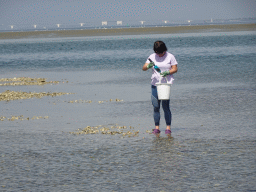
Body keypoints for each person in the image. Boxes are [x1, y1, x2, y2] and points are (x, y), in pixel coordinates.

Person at [142, 41, 178, 135]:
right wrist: (148, 66)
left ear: (165, 50)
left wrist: (168, 72)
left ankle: (168, 128)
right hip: (155, 84)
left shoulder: (170, 56)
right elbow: (144, 68)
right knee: (156, 106)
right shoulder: (152, 56)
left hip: (166, 84)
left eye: (161, 53)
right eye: (158, 53)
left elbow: (175, 69)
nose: (160, 55)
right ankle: (156, 128)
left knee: (165, 106)